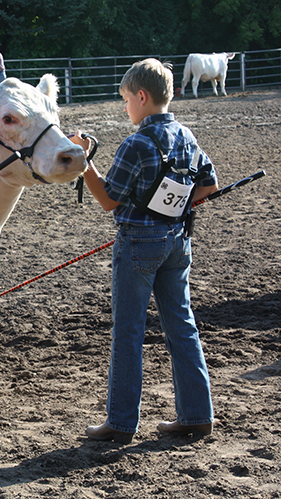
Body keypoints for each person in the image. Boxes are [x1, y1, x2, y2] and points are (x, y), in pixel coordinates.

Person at [71, 58, 218, 444]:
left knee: (129, 331)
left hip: (138, 243)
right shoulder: (186, 135)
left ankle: (120, 423)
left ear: (141, 96)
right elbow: (209, 184)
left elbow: (107, 199)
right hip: (177, 241)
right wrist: (174, 208)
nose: (125, 108)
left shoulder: (136, 143)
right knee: (181, 326)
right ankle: (197, 414)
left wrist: (85, 162)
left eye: (125, 100)